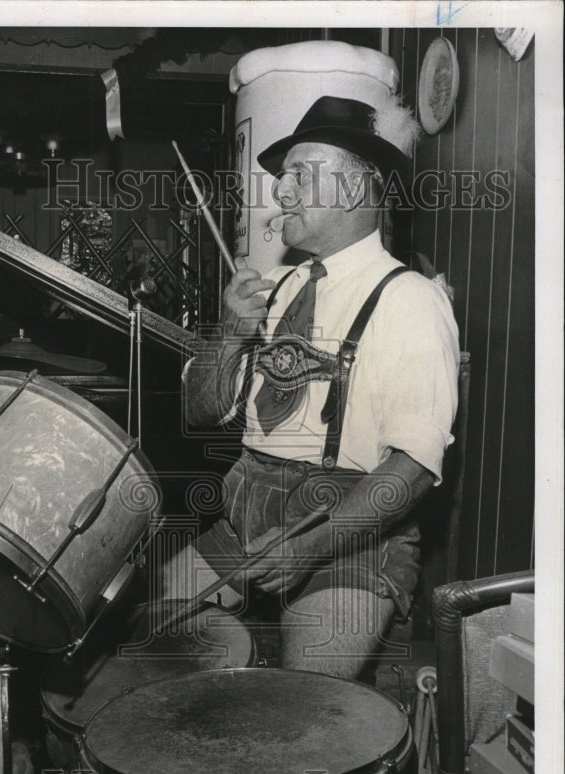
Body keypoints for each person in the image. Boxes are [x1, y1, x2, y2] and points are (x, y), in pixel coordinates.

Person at [161, 95, 460, 680]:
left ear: (353, 191)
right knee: (145, 639)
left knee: (301, 712)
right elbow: (198, 412)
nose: (280, 193)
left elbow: (412, 471)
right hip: (243, 515)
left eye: (300, 175)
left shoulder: (410, 301)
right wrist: (228, 336)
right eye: (282, 177)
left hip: (351, 535)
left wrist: (309, 546)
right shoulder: (267, 288)